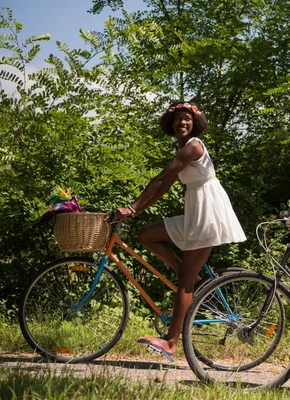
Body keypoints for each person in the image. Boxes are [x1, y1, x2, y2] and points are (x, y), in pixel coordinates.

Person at [115, 101, 246, 361]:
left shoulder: (194, 146)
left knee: (183, 284)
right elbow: (163, 184)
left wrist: (133, 207)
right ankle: (194, 280)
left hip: (207, 211)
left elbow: (163, 179)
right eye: (177, 120)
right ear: (170, 124)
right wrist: (136, 210)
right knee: (147, 235)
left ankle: (171, 342)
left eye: (187, 119)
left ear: (195, 123)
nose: (182, 123)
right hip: (195, 210)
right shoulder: (183, 147)